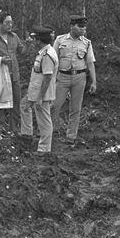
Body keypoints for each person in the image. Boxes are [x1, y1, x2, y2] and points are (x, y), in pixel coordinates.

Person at [51, 14, 97, 144]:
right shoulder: (60, 40)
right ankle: (51, 132)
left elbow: (90, 63)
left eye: (84, 27)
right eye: (80, 26)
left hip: (79, 77)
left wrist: (94, 81)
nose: (83, 29)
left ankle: (71, 136)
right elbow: (53, 60)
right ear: (72, 26)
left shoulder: (86, 43)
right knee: (55, 105)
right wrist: (51, 78)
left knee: (75, 108)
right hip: (62, 77)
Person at [20, 26, 59, 154]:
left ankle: (44, 149)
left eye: (35, 38)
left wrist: (40, 97)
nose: (34, 41)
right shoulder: (43, 52)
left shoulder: (47, 55)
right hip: (35, 91)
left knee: (44, 120)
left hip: (42, 94)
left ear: (39, 40)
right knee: (24, 106)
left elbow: (47, 77)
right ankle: (27, 135)